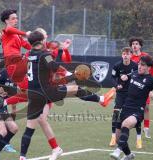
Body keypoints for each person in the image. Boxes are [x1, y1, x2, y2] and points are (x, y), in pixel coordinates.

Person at [19, 30, 103, 160]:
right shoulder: (44, 54)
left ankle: (23, 157)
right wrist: (59, 52)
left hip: (34, 94)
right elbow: (54, 66)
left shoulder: (29, 54)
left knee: (30, 127)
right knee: (75, 89)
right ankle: (101, 99)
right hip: (47, 92)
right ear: (41, 41)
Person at [110, 55, 153, 160]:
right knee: (118, 138)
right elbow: (126, 77)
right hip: (125, 108)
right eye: (139, 64)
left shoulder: (152, 80)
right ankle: (129, 155)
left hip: (138, 111)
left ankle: (117, 151)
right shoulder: (134, 74)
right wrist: (123, 79)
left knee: (126, 124)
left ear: (149, 67)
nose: (139, 66)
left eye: (143, 65)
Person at [109, 47, 138, 147]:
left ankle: (138, 139)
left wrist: (129, 76)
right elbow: (112, 78)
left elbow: (139, 75)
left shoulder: (135, 66)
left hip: (131, 93)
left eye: (127, 54)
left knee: (134, 116)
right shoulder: (117, 66)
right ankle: (113, 137)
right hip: (121, 93)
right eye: (124, 54)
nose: (125, 55)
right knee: (116, 113)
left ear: (131, 55)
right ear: (122, 55)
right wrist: (117, 85)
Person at [129, 37, 153, 139]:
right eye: (133, 44)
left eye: (136, 43)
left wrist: (151, 89)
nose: (134, 45)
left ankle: (146, 128)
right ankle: (132, 125)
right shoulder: (130, 58)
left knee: (146, 108)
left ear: (140, 45)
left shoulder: (146, 57)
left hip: (145, 86)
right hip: (134, 87)